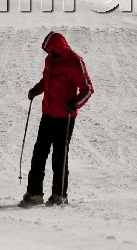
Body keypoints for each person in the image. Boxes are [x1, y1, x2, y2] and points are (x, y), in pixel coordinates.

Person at [20, 31, 94, 207]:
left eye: (50, 50)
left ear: (57, 48)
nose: (48, 54)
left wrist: (75, 103)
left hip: (65, 117)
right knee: (39, 154)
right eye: (47, 51)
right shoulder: (50, 60)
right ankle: (34, 193)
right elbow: (46, 81)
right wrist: (36, 90)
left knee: (59, 156)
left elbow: (88, 89)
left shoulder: (75, 61)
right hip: (48, 114)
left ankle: (59, 195)